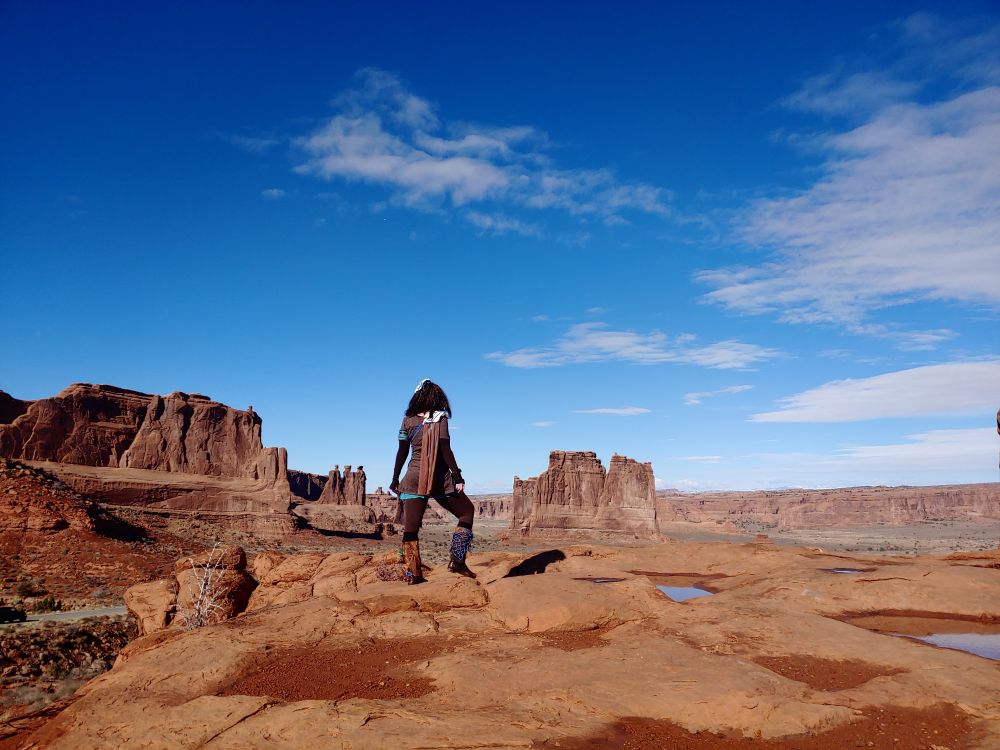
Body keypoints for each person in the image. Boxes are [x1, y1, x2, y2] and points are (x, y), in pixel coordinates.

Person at [389, 379, 476, 584]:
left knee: (411, 528)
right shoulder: (440, 418)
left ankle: (413, 574)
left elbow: (401, 452)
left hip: (413, 478)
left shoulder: (407, 420)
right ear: (436, 398)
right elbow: (446, 450)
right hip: (439, 479)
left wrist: (395, 478)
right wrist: (457, 476)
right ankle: (457, 560)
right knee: (467, 512)